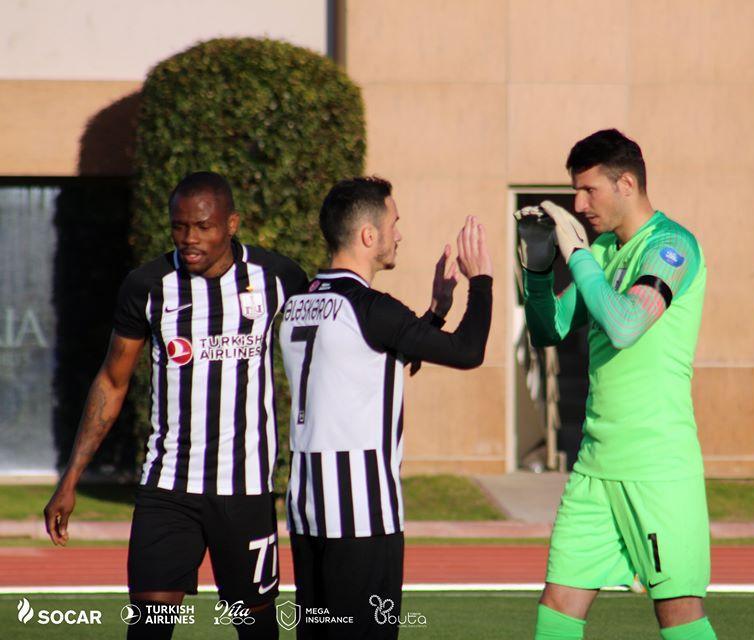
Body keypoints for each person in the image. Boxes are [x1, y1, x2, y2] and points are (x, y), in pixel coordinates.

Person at [43, 171, 308, 640]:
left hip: (245, 488)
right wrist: (70, 479)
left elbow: (325, 346)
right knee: (151, 624)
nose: (189, 238)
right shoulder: (147, 286)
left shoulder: (278, 277)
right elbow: (112, 381)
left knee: (256, 626)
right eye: (179, 226)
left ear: (231, 224)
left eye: (203, 226)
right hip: (168, 487)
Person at [517, 129, 715, 640]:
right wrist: (538, 270)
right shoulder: (604, 249)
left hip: (657, 468)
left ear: (626, 183)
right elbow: (550, 330)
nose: (579, 205)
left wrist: (577, 254)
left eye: (589, 190)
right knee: (557, 605)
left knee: (678, 613)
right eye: (575, 192)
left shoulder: (672, 246)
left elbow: (625, 325)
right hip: (595, 467)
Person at [278, 176, 493, 639]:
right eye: (394, 223)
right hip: (363, 513)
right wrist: (482, 281)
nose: (399, 234)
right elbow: (468, 351)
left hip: (308, 507)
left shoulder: (299, 303)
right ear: (368, 235)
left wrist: (435, 311)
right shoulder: (372, 307)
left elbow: (371, 366)